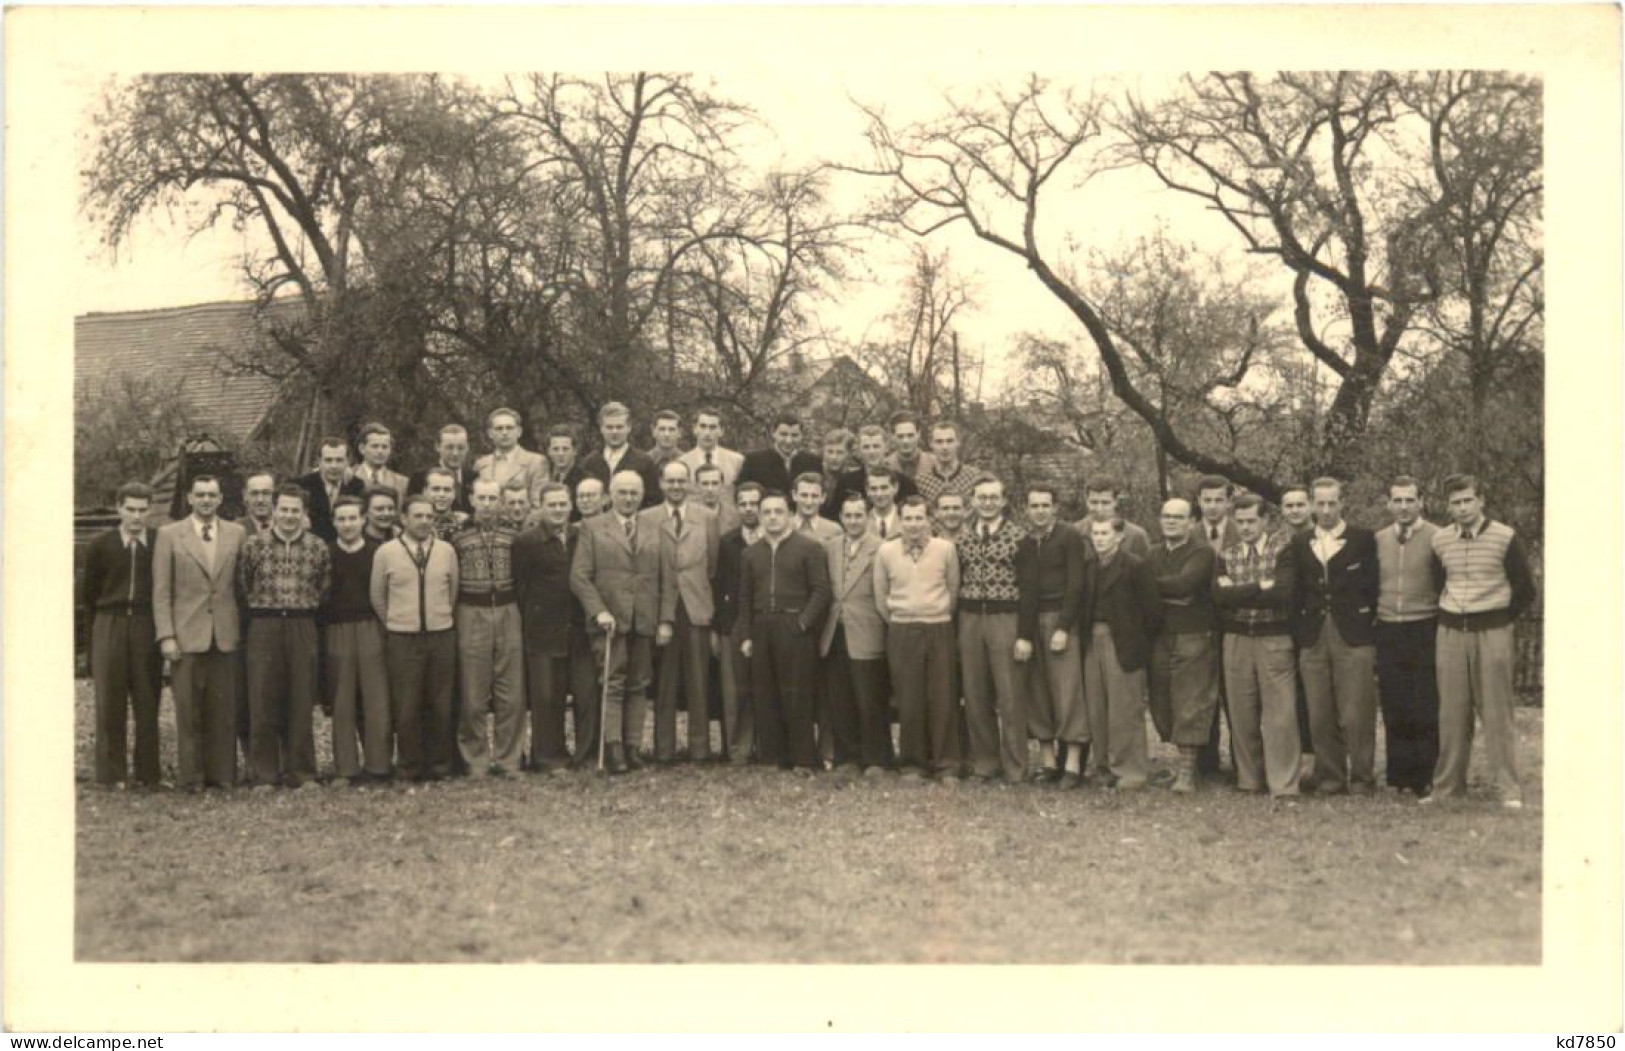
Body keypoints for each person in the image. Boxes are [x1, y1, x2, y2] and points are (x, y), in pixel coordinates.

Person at [1425, 474, 1537, 809]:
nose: (1462, 508)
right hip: (1450, 632)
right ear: (1448, 506)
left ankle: (1508, 789)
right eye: (1456, 503)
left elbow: (1525, 590)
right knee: (1452, 713)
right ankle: (1447, 788)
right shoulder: (1441, 540)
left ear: (1481, 500)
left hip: (1493, 630)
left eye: (1468, 501)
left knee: (1496, 711)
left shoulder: (1505, 537)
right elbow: (1437, 583)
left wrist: (1498, 617)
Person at [153, 474, 246, 791]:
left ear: (221, 499)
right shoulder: (169, 535)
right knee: (189, 709)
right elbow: (161, 591)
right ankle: (191, 776)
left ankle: (222, 774)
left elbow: (241, 587)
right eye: (200, 495)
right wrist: (166, 635)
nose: (206, 500)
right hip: (186, 635)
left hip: (224, 634)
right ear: (190, 498)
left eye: (212, 495)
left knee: (223, 708)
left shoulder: (236, 534)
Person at [1290, 476, 1380, 795]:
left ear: (1342, 503)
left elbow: (1374, 588)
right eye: (1320, 503)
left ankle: (1362, 776)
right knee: (1319, 709)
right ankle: (1330, 776)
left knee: (1356, 710)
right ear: (1312, 505)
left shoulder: (1364, 540)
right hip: (1313, 635)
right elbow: (1296, 591)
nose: (1326, 510)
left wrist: (1366, 623)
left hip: (1353, 635)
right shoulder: (1300, 544)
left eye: (1332, 503)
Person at [238, 483, 331, 789]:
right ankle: (264, 773)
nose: (289, 516)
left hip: (302, 624)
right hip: (264, 625)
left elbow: (324, 587)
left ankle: (302, 772)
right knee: (263, 698)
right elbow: (243, 584)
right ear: (274, 511)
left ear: (305, 513)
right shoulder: (254, 545)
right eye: (284, 510)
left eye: (296, 510)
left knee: (302, 697)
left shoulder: (317, 547)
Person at [570, 470, 664, 773]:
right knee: (612, 683)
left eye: (634, 492)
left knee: (639, 685)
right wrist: (599, 611)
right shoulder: (592, 527)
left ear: (642, 494)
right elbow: (579, 576)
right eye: (622, 492)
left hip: (644, 618)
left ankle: (633, 746)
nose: (628, 498)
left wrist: (664, 619)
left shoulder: (654, 526)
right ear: (611, 495)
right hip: (610, 620)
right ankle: (613, 749)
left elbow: (665, 577)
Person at [1213, 494, 1301, 798]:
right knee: (1241, 711)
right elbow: (1219, 598)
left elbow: (1283, 593)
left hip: (1274, 637)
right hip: (1236, 638)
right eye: (1241, 522)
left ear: (1265, 520)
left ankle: (1284, 783)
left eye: (1252, 521)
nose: (1246, 527)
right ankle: (1249, 780)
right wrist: (1259, 587)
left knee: (1280, 714)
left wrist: (1239, 592)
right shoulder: (1227, 554)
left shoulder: (1283, 549)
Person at [737, 490, 831, 772]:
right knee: (766, 693)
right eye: (767, 512)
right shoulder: (751, 553)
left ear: (790, 514)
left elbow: (821, 590)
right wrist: (746, 635)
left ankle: (803, 757)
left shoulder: (809, 548)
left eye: (778, 511)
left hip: (794, 626)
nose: (772, 517)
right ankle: (773, 756)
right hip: (762, 625)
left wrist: (803, 623)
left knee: (798, 693)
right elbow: (744, 598)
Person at [370, 494, 459, 782]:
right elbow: (378, 596)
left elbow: (452, 591)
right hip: (403, 638)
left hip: (440, 635)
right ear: (404, 518)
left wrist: (439, 617)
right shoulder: (386, 552)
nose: (423, 522)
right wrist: (397, 622)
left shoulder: (446, 550)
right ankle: (409, 765)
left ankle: (440, 765)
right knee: (406, 705)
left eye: (429, 517)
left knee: (441, 703)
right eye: (417, 516)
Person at [81, 481, 163, 788]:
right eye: (130, 509)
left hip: (145, 623)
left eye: (143, 510)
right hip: (110, 622)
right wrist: (89, 643)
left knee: (147, 697)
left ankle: (147, 773)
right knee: (110, 699)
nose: (137, 517)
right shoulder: (100, 545)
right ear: (119, 508)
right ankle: (111, 773)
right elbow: (88, 595)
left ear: (151, 511)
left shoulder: (158, 542)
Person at [875, 496, 962, 781]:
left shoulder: (945, 549)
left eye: (919, 518)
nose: (913, 525)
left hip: (938, 627)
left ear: (929, 520)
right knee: (909, 697)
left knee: (942, 696)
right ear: (900, 520)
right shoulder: (886, 551)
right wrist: (903, 619)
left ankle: (946, 763)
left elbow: (952, 590)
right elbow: (880, 596)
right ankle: (913, 763)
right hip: (901, 629)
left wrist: (934, 615)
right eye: (908, 518)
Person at [1078, 517, 1160, 791]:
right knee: (1097, 707)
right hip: (1093, 639)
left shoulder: (1135, 565)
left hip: (1124, 642)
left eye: (1105, 533)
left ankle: (1130, 771)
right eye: (1095, 534)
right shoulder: (1089, 566)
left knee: (1124, 708)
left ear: (1119, 537)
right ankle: (1103, 766)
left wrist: (1137, 643)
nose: (1099, 538)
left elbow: (1152, 612)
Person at [647, 460, 721, 763]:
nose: (676, 487)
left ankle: (700, 749)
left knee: (698, 679)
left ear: (689, 483)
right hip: (663, 608)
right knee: (665, 681)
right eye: (670, 481)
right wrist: (660, 616)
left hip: (697, 606)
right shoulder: (647, 518)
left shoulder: (706, 517)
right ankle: (663, 750)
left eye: (681, 481)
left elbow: (713, 565)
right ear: (661, 484)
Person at [452, 478, 526, 778]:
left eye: (493, 498)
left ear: (501, 502)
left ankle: (509, 759)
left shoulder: (515, 535)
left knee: (511, 692)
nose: (487, 504)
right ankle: (475, 759)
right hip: (472, 611)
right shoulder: (457, 536)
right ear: (471, 499)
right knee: (473, 692)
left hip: (508, 611)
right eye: (482, 498)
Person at [956, 478, 1028, 783]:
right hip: (970, 618)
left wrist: (1024, 633)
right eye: (981, 497)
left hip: (1005, 619)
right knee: (975, 694)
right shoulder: (963, 536)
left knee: (1010, 695)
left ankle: (1016, 766)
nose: (987, 503)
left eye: (993, 498)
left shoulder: (1018, 536)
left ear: (1003, 501)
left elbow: (1029, 589)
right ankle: (985, 763)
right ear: (972, 501)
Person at [1146, 498, 1220, 792]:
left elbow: (1185, 585)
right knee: (1162, 701)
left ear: (1192, 522)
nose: (1171, 521)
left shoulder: (1202, 551)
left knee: (1191, 699)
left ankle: (1188, 772)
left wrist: (1156, 587)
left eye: (1178, 517)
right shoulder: (1153, 552)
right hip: (1160, 634)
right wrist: (1169, 591)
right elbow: (1148, 587)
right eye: (1166, 516)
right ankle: (1181, 765)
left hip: (1194, 633)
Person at [1015, 485, 1088, 783]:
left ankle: (1072, 761)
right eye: (1034, 506)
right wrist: (1024, 634)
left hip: (1060, 618)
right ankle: (1048, 759)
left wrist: (1063, 627)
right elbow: (1025, 591)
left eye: (1045, 505)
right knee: (1037, 689)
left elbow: (1076, 585)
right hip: (1031, 620)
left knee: (1067, 689)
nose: (1040, 511)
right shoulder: (1024, 542)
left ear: (1055, 507)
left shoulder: (1069, 536)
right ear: (1026, 509)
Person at [1374, 476, 1441, 798]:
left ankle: (1425, 775)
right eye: (1397, 500)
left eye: (1409, 500)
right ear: (1388, 504)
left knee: (1424, 703)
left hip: (1423, 625)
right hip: (1388, 627)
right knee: (1394, 702)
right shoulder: (1379, 539)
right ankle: (1398, 777)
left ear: (1420, 502)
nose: (1403, 507)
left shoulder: (1437, 537)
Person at [820, 492, 891, 774]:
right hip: (835, 632)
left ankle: (877, 758)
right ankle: (847, 757)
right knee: (841, 697)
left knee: (870, 697)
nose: (853, 521)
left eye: (858, 515)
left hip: (868, 630)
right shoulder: (830, 547)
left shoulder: (882, 548)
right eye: (847, 515)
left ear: (868, 516)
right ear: (840, 518)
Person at [513, 483, 580, 775]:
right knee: (544, 696)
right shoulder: (527, 541)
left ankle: (562, 750)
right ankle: (544, 756)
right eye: (551, 504)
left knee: (563, 694)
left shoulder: (578, 536)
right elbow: (520, 587)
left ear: (570, 505)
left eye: (562, 504)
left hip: (571, 628)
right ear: (540, 506)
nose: (558, 510)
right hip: (540, 629)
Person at [324, 496, 392, 784]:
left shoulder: (378, 552)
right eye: (341, 519)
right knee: (342, 700)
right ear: (334, 522)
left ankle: (379, 765)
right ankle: (346, 767)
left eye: (353, 518)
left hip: (370, 628)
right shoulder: (326, 553)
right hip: (338, 630)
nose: (348, 524)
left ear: (364, 519)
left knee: (376, 699)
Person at [712, 482, 764, 764]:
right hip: (733, 624)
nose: (748, 509)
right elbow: (719, 587)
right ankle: (737, 749)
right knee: (734, 691)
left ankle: (767, 745)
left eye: (754, 503)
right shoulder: (728, 542)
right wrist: (720, 629)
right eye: (742, 503)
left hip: (766, 624)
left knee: (765, 687)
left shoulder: (774, 538)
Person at [1278, 481, 1317, 783]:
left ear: (1311, 506)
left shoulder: (1321, 537)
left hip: (1315, 624)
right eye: (1289, 505)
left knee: (1312, 693)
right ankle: (1289, 758)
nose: (1295, 510)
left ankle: (1315, 757)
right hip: (1280, 624)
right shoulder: (1275, 541)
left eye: (1300, 504)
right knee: (1286, 695)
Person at [581, 402, 661, 510]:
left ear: (629, 428)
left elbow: (653, 502)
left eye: (619, 427)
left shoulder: (644, 462)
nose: (614, 432)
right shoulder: (590, 462)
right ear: (601, 429)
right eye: (609, 427)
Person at [474, 407, 549, 509]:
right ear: (490, 433)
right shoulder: (481, 464)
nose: (504, 433)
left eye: (509, 428)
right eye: (499, 428)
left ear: (519, 431)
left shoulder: (536, 462)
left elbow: (538, 505)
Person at [297, 437, 365, 542]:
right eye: (328, 460)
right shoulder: (304, 485)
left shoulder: (356, 485)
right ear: (319, 461)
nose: (334, 466)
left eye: (339, 460)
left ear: (348, 461)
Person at [835, 424, 918, 510]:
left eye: (876, 446)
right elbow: (836, 514)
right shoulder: (847, 482)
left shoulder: (904, 483)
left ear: (886, 448)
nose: (871, 452)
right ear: (859, 450)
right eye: (866, 447)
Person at [677, 407, 745, 513]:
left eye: (712, 427)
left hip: (728, 523)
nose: (707, 433)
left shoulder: (737, 461)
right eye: (703, 427)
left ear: (721, 431)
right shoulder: (681, 463)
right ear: (695, 429)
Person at [737, 413, 822, 496]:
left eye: (794, 435)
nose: (789, 441)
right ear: (773, 433)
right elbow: (742, 493)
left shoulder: (813, 462)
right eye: (784, 434)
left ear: (801, 436)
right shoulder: (754, 461)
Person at [914, 421, 987, 511]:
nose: (945, 447)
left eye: (949, 441)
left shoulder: (975, 477)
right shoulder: (921, 482)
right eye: (939, 442)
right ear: (931, 444)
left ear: (958, 442)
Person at [1073, 477, 1152, 560]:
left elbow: (1146, 569)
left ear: (1115, 502)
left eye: (1105, 503)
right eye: (1094, 502)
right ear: (1086, 502)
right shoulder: (1074, 532)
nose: (1099, 508)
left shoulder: (1135, 535)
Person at [409, 423, 474, 515]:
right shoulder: (420, 478)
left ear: (467, 448)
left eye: (460, 448)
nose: (455, 453)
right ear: (438, 446)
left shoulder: (474, 478)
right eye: (450, 447)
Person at [353, 422, 410, 502]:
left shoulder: (402, 483)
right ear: (362, 448)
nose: (380, 451)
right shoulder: (350, 478)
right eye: (375, 446)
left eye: (384, 447)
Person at [544, 425, 589, 515]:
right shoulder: (544, 476)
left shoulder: (585, 479)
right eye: (556, 449)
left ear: (575, 451)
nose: (561, 453)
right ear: (549, 451)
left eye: (565, 449)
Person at [791, 472, 841, 543]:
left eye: (814, 496)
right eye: (804, 495)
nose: (809, 502)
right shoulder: (783, 527)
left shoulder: (834, 531)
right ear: (794, 495)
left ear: (823, 497)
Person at [818, 427, 856, 518]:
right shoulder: (815, 473)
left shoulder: (852, 479)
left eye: (839, 453)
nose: (834, 457)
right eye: (830, 452)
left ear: (848, 454)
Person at [693, 462, 741, 534]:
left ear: (722, 486)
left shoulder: (736, 517)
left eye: (714, 483)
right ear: (697, 486)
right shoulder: (686, 516)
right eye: (705, 484)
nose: (710, 489)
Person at [422, 468, 470, 541]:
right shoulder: (414, 522)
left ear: (454, 493)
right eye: (436, 489)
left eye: (447, 490)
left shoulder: (465, 522)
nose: (442, 494)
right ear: (425, 492)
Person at [887, 411, 936, 480]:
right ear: (892, 436)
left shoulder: (935, 463)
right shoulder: (885, 466)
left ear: (918, 434)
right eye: (900, 436)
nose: (905, 441)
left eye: (910, 435)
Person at [865, 468, 903, 541]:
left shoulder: (907, 519)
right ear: (867, 491)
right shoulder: (862, 522)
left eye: (884, 488)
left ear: (895, 488)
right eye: (873, 489)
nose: (879, 494)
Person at [241, 470, 277, 538]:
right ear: (245, 496)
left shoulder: (288, 527)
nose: (260, 499)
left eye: (266, 493)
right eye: (254, 493)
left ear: (274, 495)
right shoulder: (234, 531)